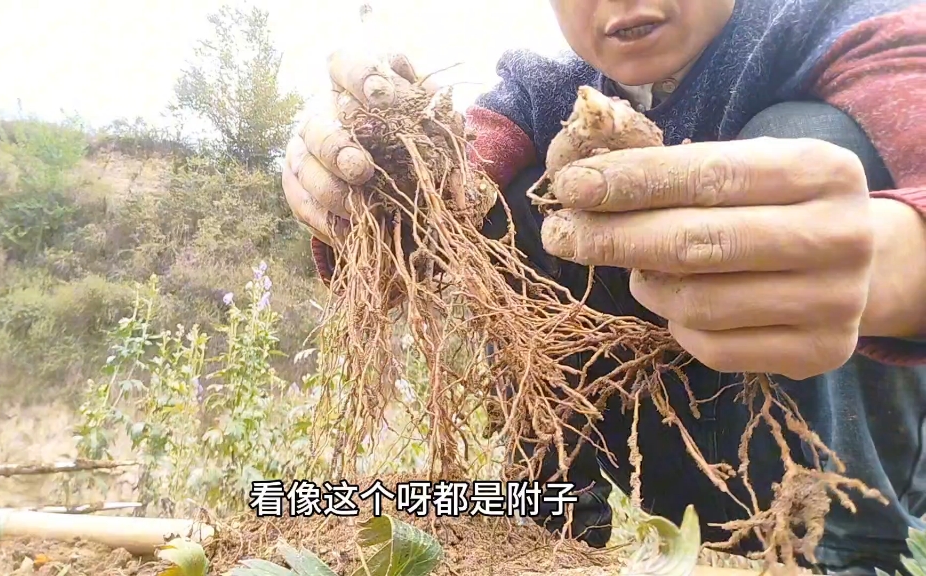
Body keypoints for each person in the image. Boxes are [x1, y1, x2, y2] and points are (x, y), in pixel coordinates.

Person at [280, 0, 926, 573]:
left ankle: (843, 545)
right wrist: (376, 175)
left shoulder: (839, 28)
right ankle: (556, 522)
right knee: (509, 200)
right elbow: (447, 196)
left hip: (823, 471)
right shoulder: (538, 95)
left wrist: (907, 261)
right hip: (652, 464)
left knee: (807, 137)